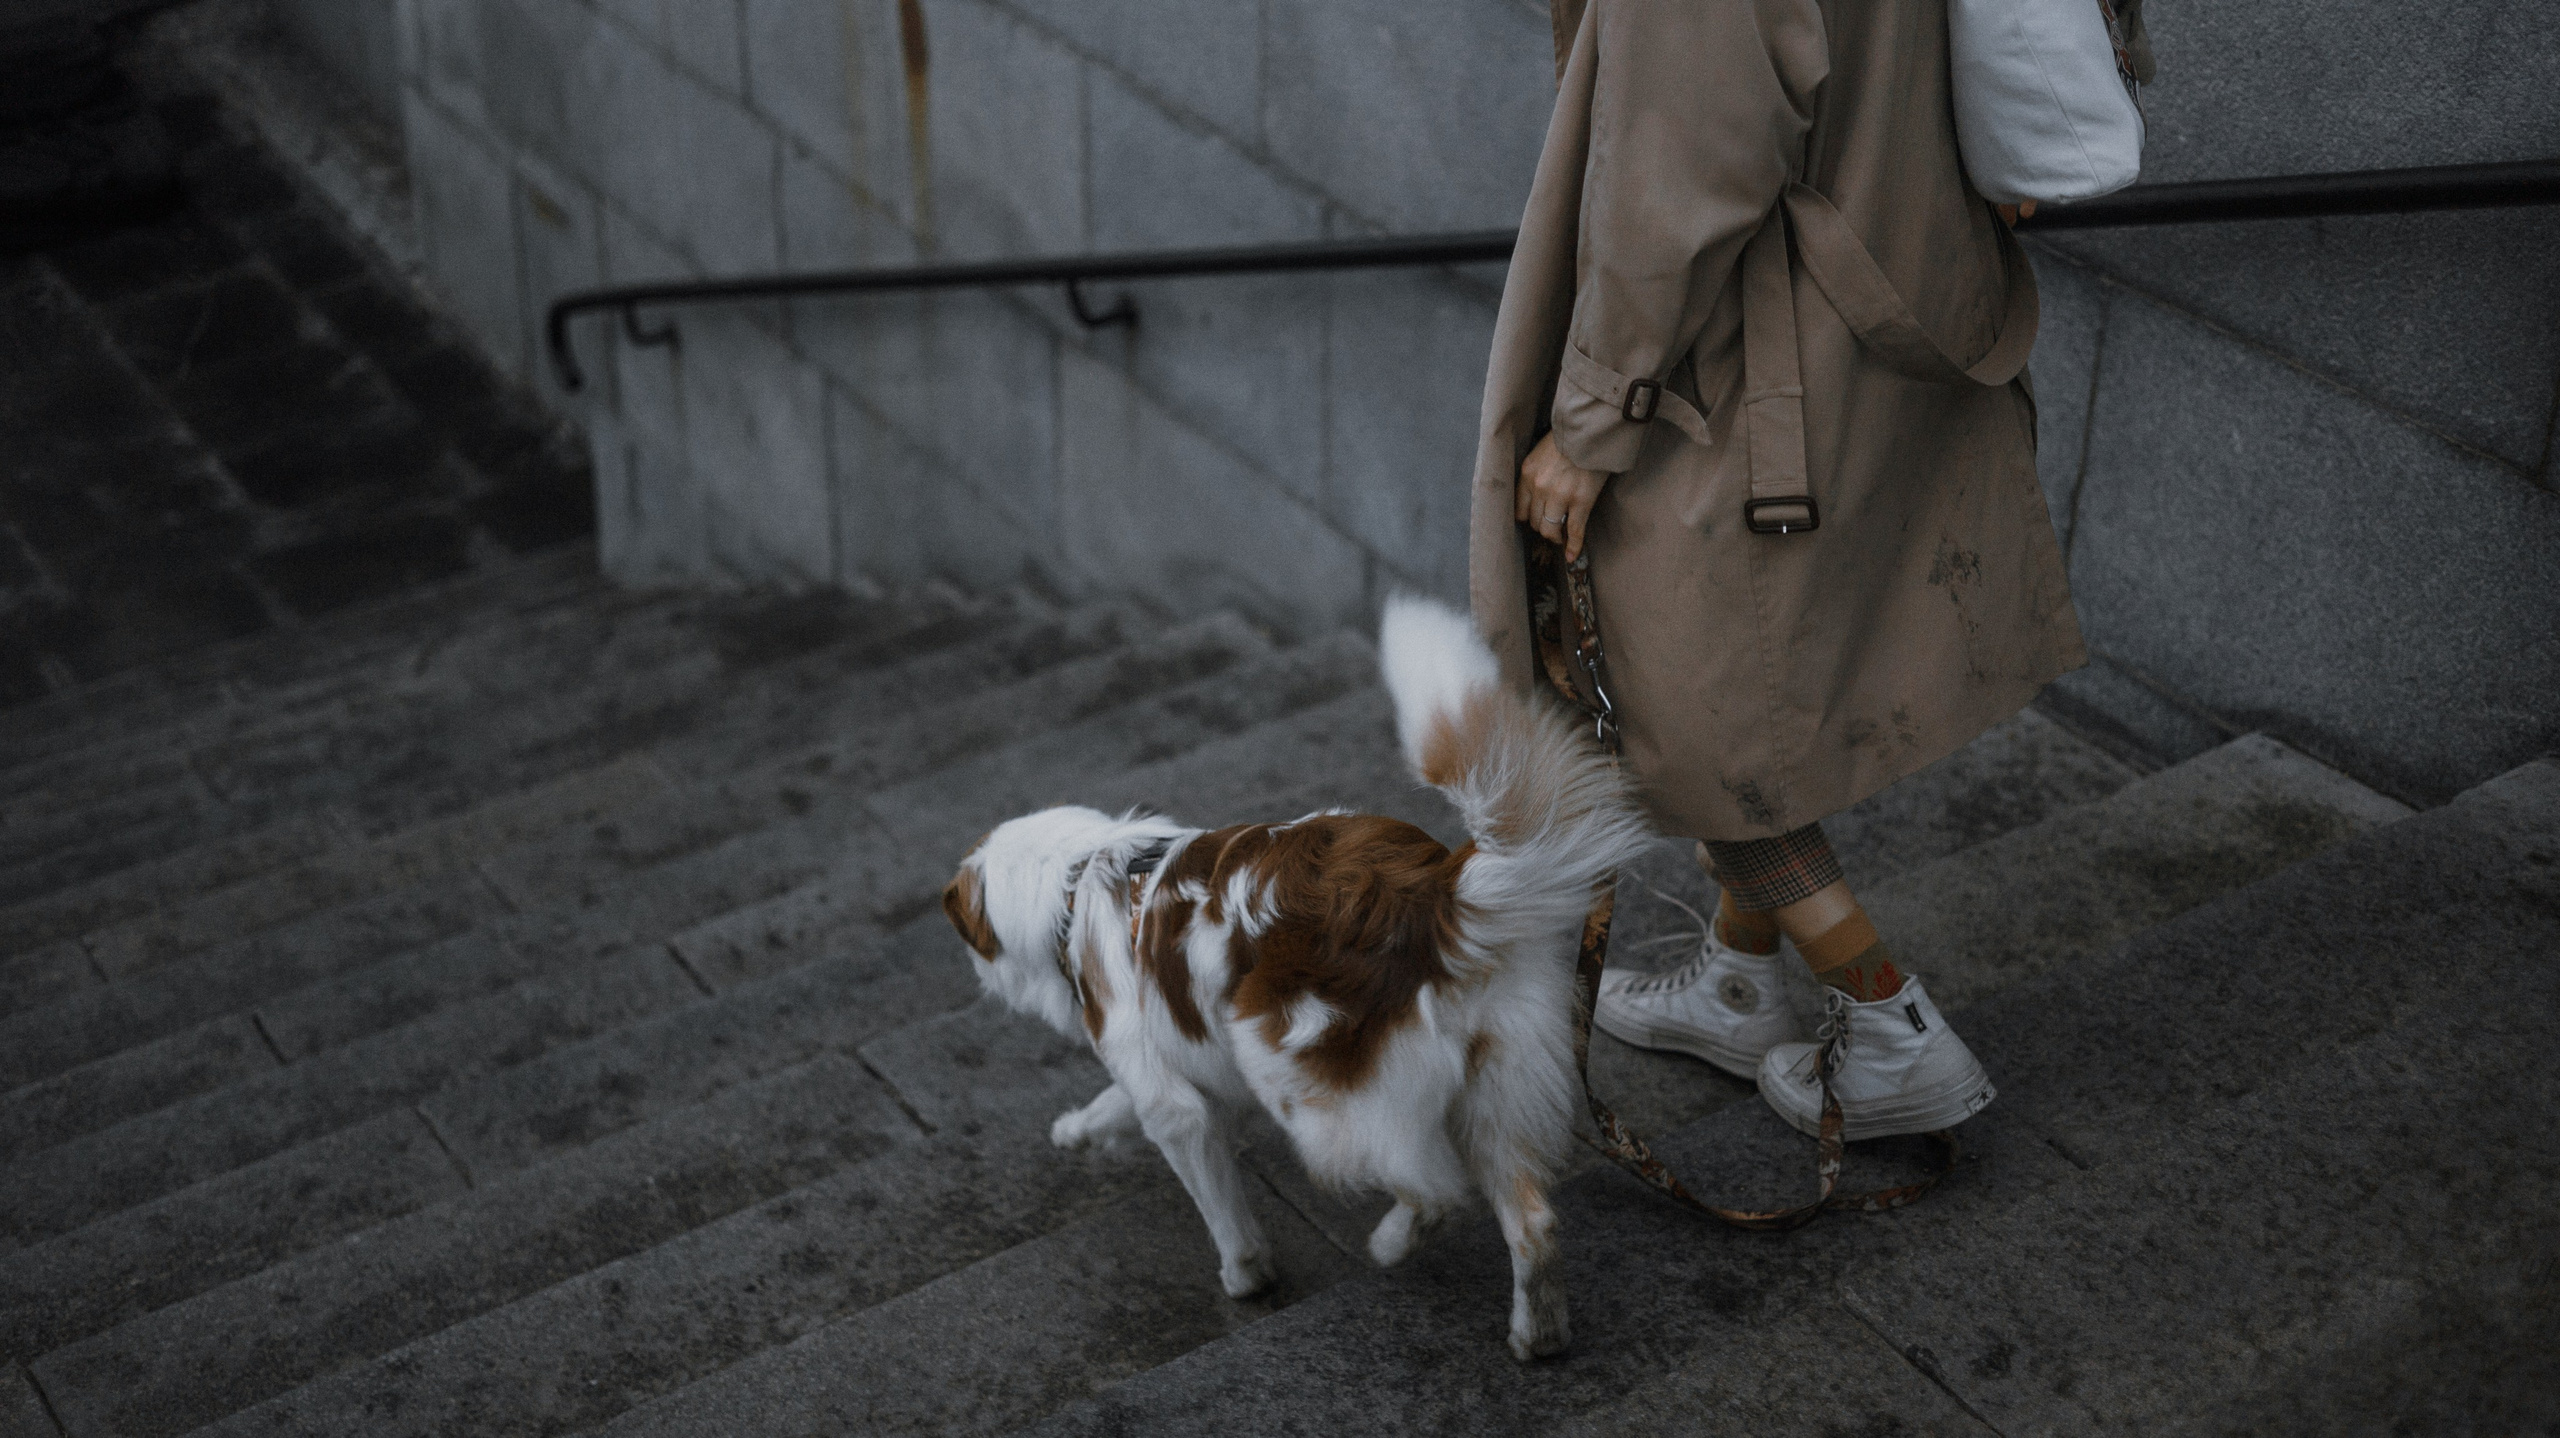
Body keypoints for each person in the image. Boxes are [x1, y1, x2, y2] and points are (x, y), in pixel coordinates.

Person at [1470, 0, 2108, 1140]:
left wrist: (1591, 417)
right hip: (1881, 266)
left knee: (1669, 695)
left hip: (1745, 345)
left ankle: (1890, 1026)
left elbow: (1689, 157)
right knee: (1739, 677)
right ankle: (1739, 976)